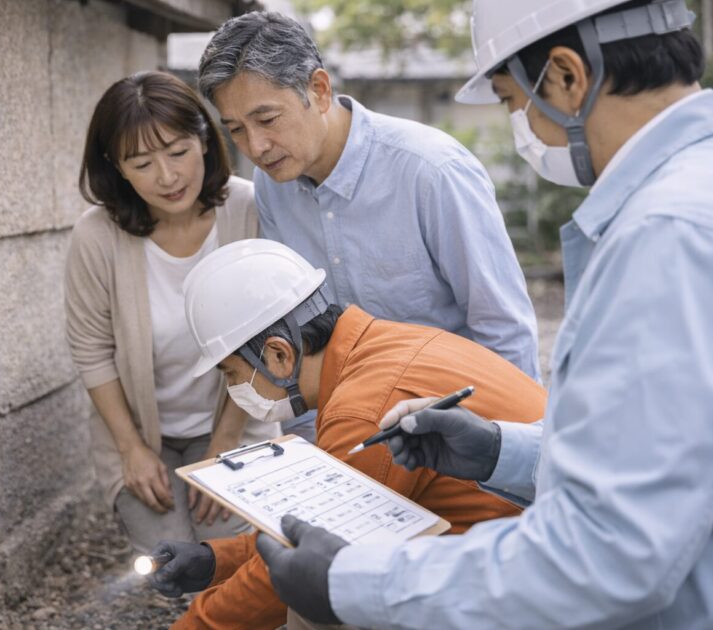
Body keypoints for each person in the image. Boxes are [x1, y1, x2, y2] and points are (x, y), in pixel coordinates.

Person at [255, 1, 713, 628]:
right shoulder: (691, 196)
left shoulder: (663, 235)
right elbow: (667, 452)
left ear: (566, 76)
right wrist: (504, 450)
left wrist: (355, 582)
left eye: (508, 100)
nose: (520, 126)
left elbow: (610, 552)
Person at [145, 239, 547, 629]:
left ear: (279, 355)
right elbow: (316, 524)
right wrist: (215, 559)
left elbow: (289, 571)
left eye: (232, 374)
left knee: (317, 607)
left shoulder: (364, 408)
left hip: (521, 587)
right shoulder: (384, 345)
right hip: (522, 552)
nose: (235, 389)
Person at [197, 11, 541, 386]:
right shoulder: (271, 186)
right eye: (236, 130)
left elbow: (504, 329)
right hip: (348, 426)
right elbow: (300, 342)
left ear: (319, 90)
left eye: (267, 119)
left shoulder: (431, 171)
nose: (256, 147)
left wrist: (509, 439)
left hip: (457, 419)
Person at [64, 71, 278, 554]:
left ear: (205, 140)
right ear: (116, 168)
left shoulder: (249, 209)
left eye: (178, 152)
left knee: (228, 555)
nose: (167, 177)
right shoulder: (96, 236)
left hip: (238, 422)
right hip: (142, 433)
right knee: (171, 558)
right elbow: (91, 350)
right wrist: (131, 449)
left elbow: (272, 334)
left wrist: (226, 441)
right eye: (141, 163)